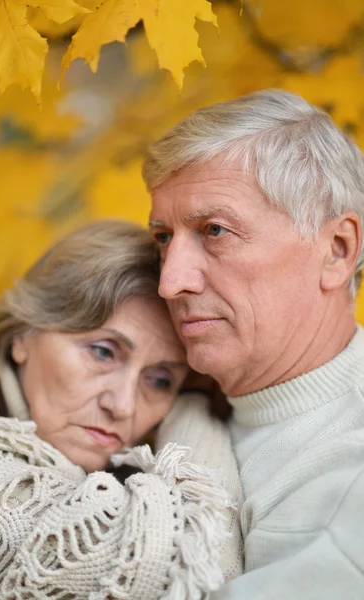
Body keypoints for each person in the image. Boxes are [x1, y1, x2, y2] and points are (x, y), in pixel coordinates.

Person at [143, 89, 364, 599]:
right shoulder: (155, 394)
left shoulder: (347, 482)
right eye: (162, 238)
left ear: (337, 251)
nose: (170, 282)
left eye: (215, 230)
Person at [0, 220, 242, 599]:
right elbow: (200, 563)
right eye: (102, 352)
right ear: (22, 335)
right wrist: (195, 406)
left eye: (161, 380)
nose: (123, 405)